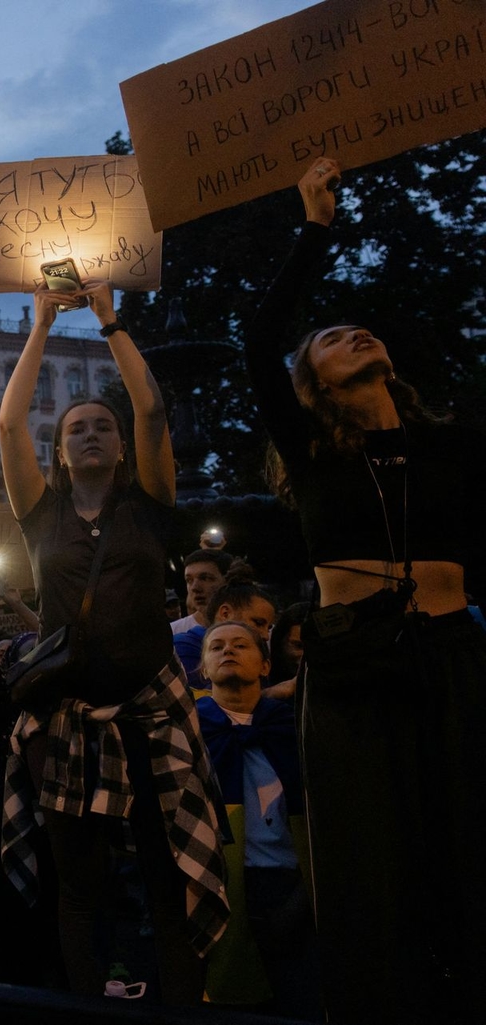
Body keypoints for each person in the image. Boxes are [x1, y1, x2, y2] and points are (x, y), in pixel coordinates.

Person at [242, 158, 486, 1024]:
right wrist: (315, 227)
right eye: (331, 338)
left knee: (464, 852)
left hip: (452, 656)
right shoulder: (312, 453)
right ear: (311, 385)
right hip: (354, 670)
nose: (353, 334)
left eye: (360, 330)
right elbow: (257, 336)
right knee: (369, 867)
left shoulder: (450, 447)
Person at [0, 278, 227, 1003]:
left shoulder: (150, 507)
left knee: (166, 880)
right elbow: (7, 425)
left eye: (102, 425)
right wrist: (39, 324)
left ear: (122, 447)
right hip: (69, 721)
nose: (89, 432)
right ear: (60, 454)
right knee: (81, 887)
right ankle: (87, 1001)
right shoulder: (42, 515)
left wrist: (109, 321)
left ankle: (180, 1004)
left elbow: (154, 405)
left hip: (153, 717)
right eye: (75, 428)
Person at [196, 622, 320, 1019]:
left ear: (266, 665)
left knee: (301, 995)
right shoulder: (191, 730)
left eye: (240, 644)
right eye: (216, 646)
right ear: (204, 670)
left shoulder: (293, 724)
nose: (227, 650)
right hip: (222, 880)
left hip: (293, 879)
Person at [170, 549, 232, 637]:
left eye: (205, 578)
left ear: (227, 581)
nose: (195, 588)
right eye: (189, 580)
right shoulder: (173, 633)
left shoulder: (250, 629)